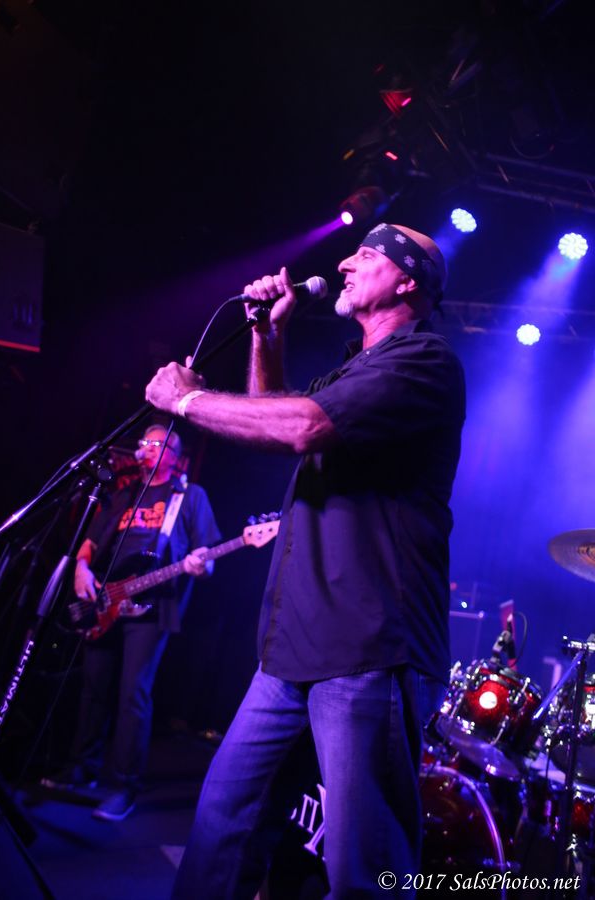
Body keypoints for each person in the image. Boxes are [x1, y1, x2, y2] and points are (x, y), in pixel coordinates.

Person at [145, 223, 466, 897]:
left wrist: (187, 399)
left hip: (367, 649)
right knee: (223, 826)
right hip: (291, 648)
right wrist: (267, 334)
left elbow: (303, 427)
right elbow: (276, 420)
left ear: (408, 281)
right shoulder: (353, 369)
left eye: (367, 255)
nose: (345, 262)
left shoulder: (424, 362)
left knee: (363, 867)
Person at [41, 423, 221, 821]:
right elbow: (90, 543)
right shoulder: (123, 494)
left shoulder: (189, 496)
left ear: (174, 456)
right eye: (144, 442)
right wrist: (81, 569)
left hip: (154, 606)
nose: (147, 447)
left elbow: (205, 554)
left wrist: (200, 564)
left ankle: (124, 787)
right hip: (106, 601)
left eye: (157, 443)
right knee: (92, 689)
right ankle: (81, 769)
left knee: (132, 695)